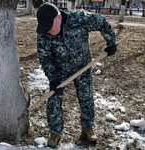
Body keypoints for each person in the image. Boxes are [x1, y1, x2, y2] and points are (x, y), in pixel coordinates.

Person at [36, 2, 116, 148]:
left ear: (58, 17)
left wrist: (111, 42)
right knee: (54, 100)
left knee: (86, 97)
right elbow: (45, 57)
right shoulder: (44, 33)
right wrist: (53, 77)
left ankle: (87, 128)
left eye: (50, 26)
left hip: (82, 66)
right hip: (60, 69)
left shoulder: (80, 18)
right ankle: (55, 132)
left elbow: (102, 22)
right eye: (45, 27)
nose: (48, 31)